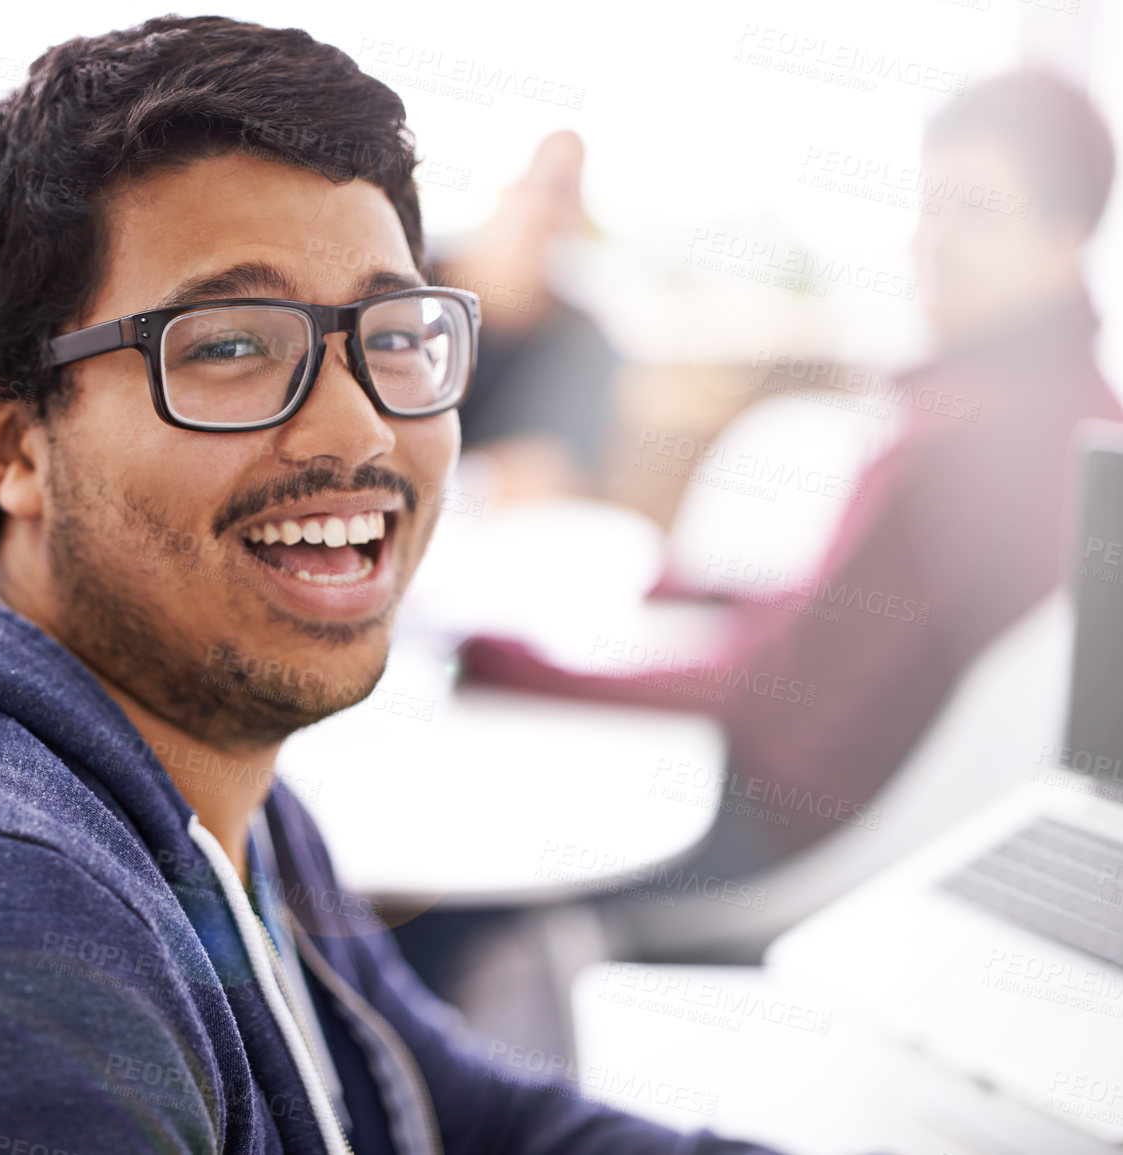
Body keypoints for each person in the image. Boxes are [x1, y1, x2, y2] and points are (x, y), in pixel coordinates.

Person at [0, 19, 782, 1153]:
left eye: (395, 337)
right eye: (232, 346)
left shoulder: (211, 777)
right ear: (7, 444)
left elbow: (447, 1107)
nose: (356, 428)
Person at [462, 70, 1123, 881]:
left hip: (787, 836)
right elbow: (868, 629)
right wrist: (721, 595)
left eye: (976, 209)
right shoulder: (1076, 410)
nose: (929, 240)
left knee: (474, 839)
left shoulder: (969, 433)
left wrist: (517, 667)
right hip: (877, 818)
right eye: (930, 202)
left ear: (1067, 234)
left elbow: (778, 691)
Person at [429, 131, 619, 504]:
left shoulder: (583, 340)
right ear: (505, 189)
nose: (547, 209)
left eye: (567, 193)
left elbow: (551, 471)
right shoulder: (409, 282)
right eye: (542, 183)